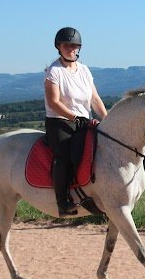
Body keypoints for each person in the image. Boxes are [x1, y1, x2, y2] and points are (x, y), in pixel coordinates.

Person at [44, 27, 108, 216]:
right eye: (66, 45)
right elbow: (53, 102)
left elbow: (95, 99)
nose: (70, 48)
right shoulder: (53, 72)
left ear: (79, 47)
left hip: (83, 122)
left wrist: (106, 120)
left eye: (74, 45)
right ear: (59, 47)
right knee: (65, 156)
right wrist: (74, 117)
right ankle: (62, 201)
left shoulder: (85, 70)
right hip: (60, 122)